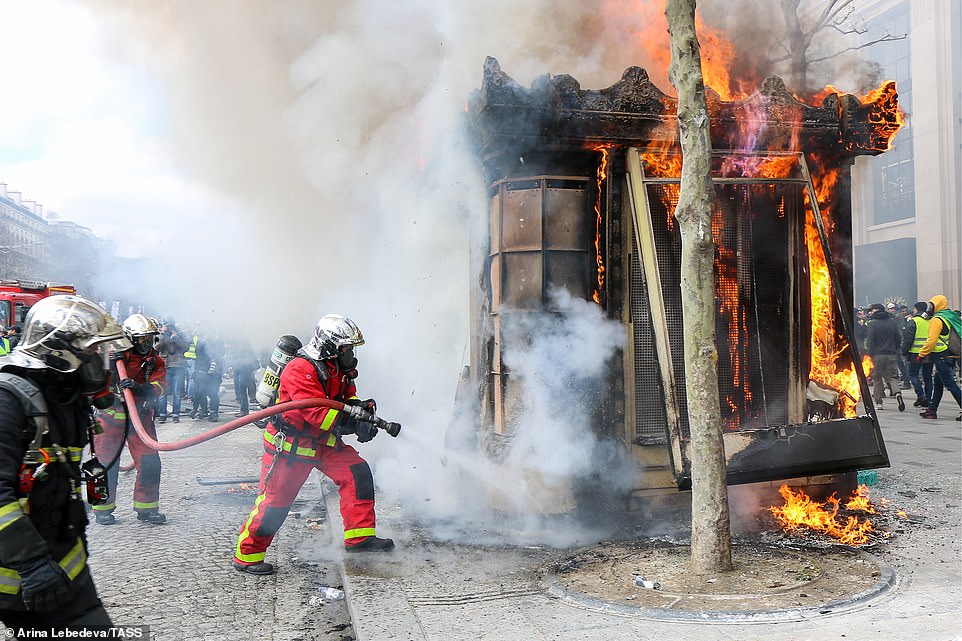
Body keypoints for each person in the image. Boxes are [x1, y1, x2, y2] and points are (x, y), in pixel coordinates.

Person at [0, 295, 130, 631]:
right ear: (59, 354)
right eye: (92, 353)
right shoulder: (8, 401)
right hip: (22, 579)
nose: (100, 364)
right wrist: (32, 566)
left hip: (64, 563)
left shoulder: (62, 394)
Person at [233, 314, 393, 575]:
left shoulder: (338, 367)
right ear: (329, 346)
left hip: (323, 442)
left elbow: (345, 399)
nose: (349, 353)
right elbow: (318, 413)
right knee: (275, 503)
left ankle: (360, 538)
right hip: (292, 446)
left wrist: (363, 412)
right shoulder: (300, 368)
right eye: (345, 347)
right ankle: (247, 555)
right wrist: (353, 425)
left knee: (357, 472)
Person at [91, 314, 168, 525]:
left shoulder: (154, 361)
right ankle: (101, 509)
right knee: (105, 463)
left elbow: (160, 386)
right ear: (130, 339)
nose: (147, 344)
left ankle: (147, 509)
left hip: (140, 419)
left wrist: (141, 388)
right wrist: (109, 366)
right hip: (109, 419)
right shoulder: (112, 356)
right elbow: (92, 378)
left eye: (150, 338)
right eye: (142, 339)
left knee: (151, 463)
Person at [918, 295, 962, 421]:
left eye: (931, 305)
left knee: (950, 384)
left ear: (937, 305)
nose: (930, 308)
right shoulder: (951, 317)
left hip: (942, 356)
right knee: (938, 383)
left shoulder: (937, 319)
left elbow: (931, 340)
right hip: (951, 355)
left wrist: (922, 354)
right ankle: (931, 411)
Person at [865, 303, 905, 411]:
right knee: (891, 377)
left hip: (877, 355)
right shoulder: (892, 322)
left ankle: (879, 403)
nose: (870, 312)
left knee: (877, 379)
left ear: (877, 310)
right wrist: (894, 348)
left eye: (872, 310)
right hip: (891, 354)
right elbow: (898, 337)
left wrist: (870, 354)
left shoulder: (872, 323)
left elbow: (870, 341)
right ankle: (897, 393)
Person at [902, 302, 934, 408]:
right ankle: (928, 398)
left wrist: (904, 352)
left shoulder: (913, 321)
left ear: (916, 309)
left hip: (915, 353)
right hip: (929, 352)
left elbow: (908, 339)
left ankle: (921, 395)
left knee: (913, 374)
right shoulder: (932, 321)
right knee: (928, 377)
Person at [156, 320, 188, 423]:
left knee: (176, 392)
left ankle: (175, 415)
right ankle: (162, 414)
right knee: (162, 392)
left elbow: (185, 348)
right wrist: (161, 334)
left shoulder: (180, 334)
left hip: (178, 366)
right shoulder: (161, 335)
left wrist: (175, 337)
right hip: (165, 366)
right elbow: (156, 347)